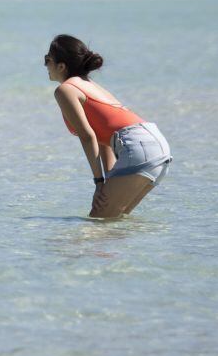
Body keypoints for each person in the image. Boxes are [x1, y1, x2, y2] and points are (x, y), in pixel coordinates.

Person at [44, 34, 172, 219]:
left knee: (99, 221)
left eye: (47, 59)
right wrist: (108, 179)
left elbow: (88, 136)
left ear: (61, 66)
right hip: (154, 144)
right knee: (112, 223)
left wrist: (98, 182)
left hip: (137, 146)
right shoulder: (88, 84)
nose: (45, 65)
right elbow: (103, 138)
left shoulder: (66, 90)